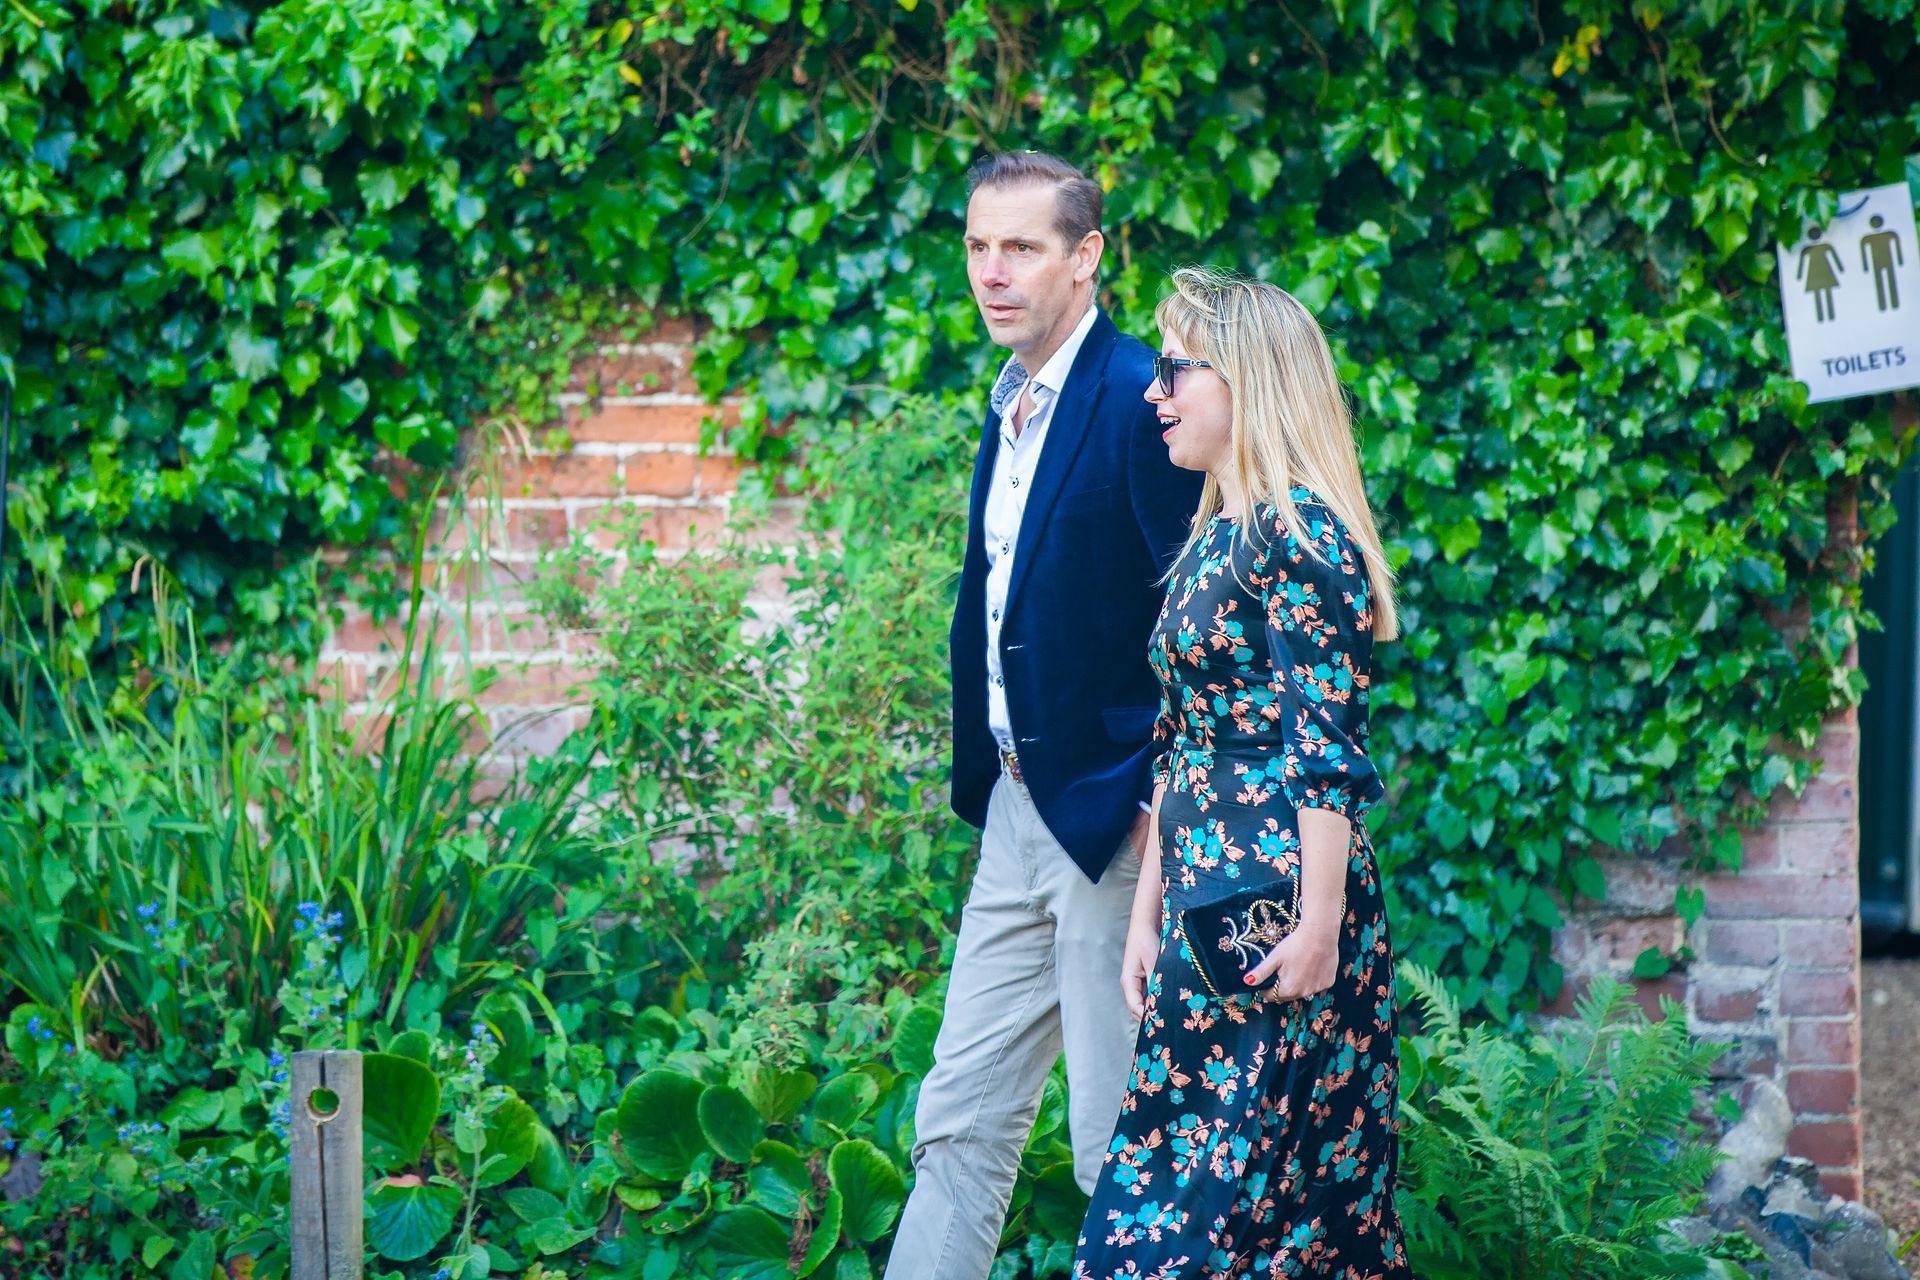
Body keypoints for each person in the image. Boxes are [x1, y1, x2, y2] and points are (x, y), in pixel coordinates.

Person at [884, 153, 1204, 1280]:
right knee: (957, 1116)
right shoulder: (1011, 397)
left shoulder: (1142, 397)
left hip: (1117, 824)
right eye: (977, 246)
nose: (992, 271)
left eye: (1020, 246)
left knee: (1117, 1144)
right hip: (1014, 814)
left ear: (1087, 256)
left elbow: (1204, 624)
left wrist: (1156, 814)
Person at [1072, 266, 1413, 1279]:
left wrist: (1317, 923)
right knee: (1204, 1197)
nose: (1154, 390)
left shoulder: (1302, 538)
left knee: (1254, 1210)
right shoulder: (1216, 535)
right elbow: (1178, 740)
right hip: (1206, 908)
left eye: (1176, 367)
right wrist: (1147, 913)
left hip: (1274, 912)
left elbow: (1325, 755)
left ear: (1249, 380)